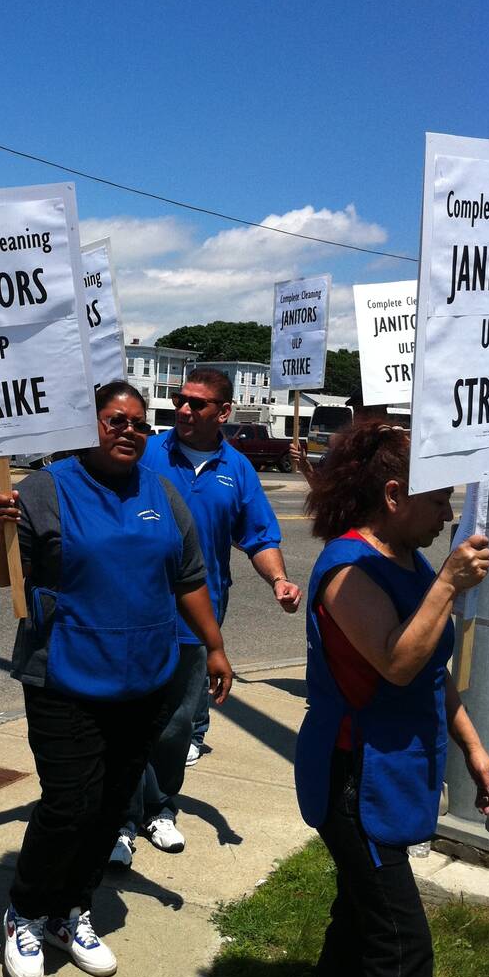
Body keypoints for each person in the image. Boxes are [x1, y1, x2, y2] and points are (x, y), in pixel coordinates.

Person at [0, 381, 231, 977]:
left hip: (143, 678)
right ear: (87, 426)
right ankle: (26, 911)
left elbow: (188, 578)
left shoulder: (162, 493)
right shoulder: (45, 489)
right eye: (115, 420)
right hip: (64, 675)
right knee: (70, 804)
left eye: (140, 424)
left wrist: (215, 646)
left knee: (115, 804)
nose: (128, 431)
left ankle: (71, 909)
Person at [295, 419, 489, 977]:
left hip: (392, 766)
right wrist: (448, 584)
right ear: (393, 496)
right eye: (438, 500)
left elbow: (432, 673)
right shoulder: (347, 569)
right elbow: (397, 661)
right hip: (355, 777)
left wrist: (471, 744)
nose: (447, 513)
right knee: (400, 939)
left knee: (360, 922)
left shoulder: (409, 562)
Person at [110, 366, 300, 867]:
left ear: (224, 412)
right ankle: (123, 822)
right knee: (130, 724)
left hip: (199, 620)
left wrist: (277, 579)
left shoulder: (237, 469)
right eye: (181, 400)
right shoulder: (147, 453)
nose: (185, 410)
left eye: (197, 404)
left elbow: (259, 536)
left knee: (175, 727)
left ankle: (160, 809)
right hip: (135, 613)